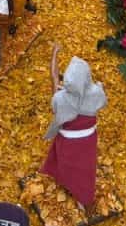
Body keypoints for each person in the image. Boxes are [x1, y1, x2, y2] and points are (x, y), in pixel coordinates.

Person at [41, 46, 106, 210]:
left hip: (68, 140)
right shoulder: (96, 94)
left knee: (66, 163)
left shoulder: (60, 99)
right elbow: (100, 98)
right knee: (85, 168)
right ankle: (82, 196)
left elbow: (54, 77)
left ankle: (69, 184)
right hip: (88, 140)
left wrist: (54, 55)